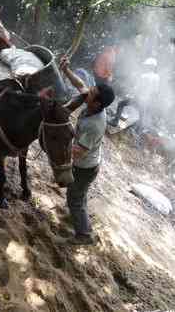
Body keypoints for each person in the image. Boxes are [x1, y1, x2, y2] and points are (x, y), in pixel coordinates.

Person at [60, 55, 115, 245]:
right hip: (88, 163)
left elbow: (78, 151)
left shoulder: (95, 124)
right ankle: (80, 221)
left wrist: (59, 146)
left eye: (92, 93)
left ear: (97, 103)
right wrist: (66, 70)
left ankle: (84, 235)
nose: (88, 92)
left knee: (74, 198)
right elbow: (80, 85)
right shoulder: (94, 103)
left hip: (85, 167)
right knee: (79, 195)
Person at [109, 57, 160, 131]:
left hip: (138, 98)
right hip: (146, 101)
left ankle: (115, 121)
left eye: (147, 66)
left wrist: (131, 95)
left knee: (121, 104)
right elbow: (155, 91)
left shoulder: (143, 76)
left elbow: (138, 88)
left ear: (150, 66)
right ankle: (138, 131)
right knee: (142, 115)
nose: (146, 67)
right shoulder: (157, 77)